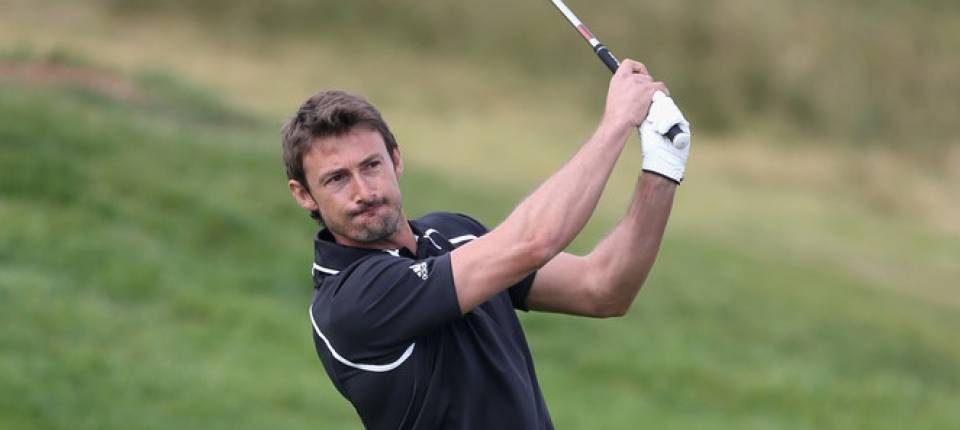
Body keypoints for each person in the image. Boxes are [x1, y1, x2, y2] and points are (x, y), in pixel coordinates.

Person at [281, 59, 690, 429]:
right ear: (303, 194)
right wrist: (616, 123)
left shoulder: (453, 234)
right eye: (337, 179)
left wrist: (662, 165)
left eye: (371, 165)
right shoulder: (351, 301)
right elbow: (533, 241)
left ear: (396, 159)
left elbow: (602, 288)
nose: (363, 191)